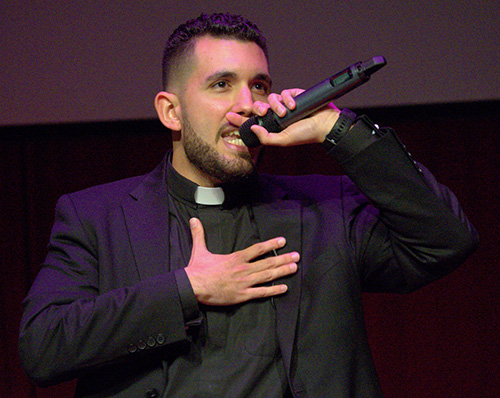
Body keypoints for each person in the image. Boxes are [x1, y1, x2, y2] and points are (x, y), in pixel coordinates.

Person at [19, 13, 478, 398]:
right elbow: (43, 347)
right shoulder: (97, 216)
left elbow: (446, 241)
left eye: (259, 86)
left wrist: (338, 130)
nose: (248, 104)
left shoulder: (326, 210)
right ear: (170, 111)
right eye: (222, 85)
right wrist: (186, 289)